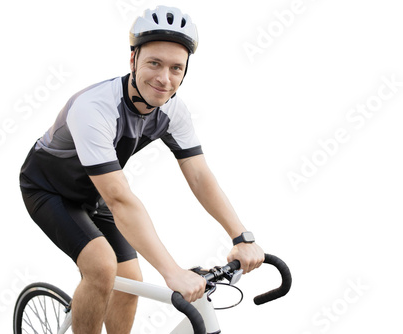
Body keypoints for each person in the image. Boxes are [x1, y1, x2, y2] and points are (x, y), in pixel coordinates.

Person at [19, 6, 264, 334]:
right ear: (133, 60)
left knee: (130, 279)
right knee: (102, 267)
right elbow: (120, 198)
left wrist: (241, 236)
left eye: (176, 68)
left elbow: (200, 176)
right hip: (48, 189)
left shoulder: (173, 111)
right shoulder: (94, 108)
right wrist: (172, 271)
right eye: (154, 63)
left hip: (95, 193)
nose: (164, 79)